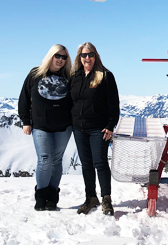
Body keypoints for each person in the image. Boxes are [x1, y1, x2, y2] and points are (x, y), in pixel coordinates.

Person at [18, 44, 73, 211]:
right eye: (58, 56)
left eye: (64, 57)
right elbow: (24, 98)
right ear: (50, 56)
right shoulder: (35, 74)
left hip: (64, 126)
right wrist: (26, 121)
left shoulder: (69, 77)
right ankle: (41, 197)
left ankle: (52, 199)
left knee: (56, 161)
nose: (61, 60)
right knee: (44, 159)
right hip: (41, 126)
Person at [70, 42, 120, 216]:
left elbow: (113, 104)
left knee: (100, 163)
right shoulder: (75, 77)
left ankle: (106, 199)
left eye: (90, 54)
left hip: (99, 128)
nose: (87, 58)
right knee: (86, 165)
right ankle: (90, 198)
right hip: (79, 128)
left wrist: (110, 125)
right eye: (84, 55)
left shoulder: (106, 76)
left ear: (96, 56)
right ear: (79, 58)